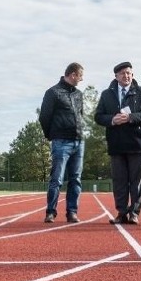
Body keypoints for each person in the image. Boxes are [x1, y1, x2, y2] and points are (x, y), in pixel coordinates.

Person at [94, 61, 141, 224]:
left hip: (136, 143)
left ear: (132, 75)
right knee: (119, 181)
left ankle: (134, 212)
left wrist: (130, 117)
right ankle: (121, 213)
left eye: (129, 73)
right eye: (122, 73)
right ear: (116, 76)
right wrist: (112, 119)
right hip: (116, 144)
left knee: (137, 182)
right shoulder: (106, 94)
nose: (126, 76)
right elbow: (98, 116)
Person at [39, 62, 85, 223]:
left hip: (79, 142)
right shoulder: (53, 92)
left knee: (76, 179)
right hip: (61, 141)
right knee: (56, 179)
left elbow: (81, 115)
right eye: (80, 76)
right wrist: (51, 135)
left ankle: (72, 212)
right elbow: (44, 117)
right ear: (73, 75)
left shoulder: (79, 94)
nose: (81, 79)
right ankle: (50, 211)